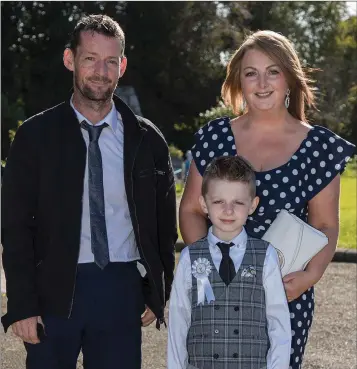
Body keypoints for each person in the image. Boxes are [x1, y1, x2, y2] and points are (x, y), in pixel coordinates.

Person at [1, 14, 177, 369]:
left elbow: (162, 225)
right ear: (70, 59)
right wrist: (22, 304)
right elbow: (15, 226)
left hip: (120, 287)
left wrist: (158, 292)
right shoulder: (35, 137)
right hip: (53, 288)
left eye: (111, 61)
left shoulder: (147, 140)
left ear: (122, 66)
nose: (101, 71)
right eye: (90, 59)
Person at [179, 30, 356, 368]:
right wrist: (208, 271)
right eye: (251, 73)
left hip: (285, 298)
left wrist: (309, 276)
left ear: (290, 79)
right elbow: (190, 210)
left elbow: (325, 224)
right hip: (216, 294)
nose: (262, 82)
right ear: (238, 82)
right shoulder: (215, 137)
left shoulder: (318, 147)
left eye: (273, 71)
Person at [168, 156, 291, 369]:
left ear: (252, 205)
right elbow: (178, 321)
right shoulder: (190, 257)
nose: (228, 210)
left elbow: (278, 322)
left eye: (238, 202)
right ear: (203, 204)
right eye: (218, 202)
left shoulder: (266, 255)